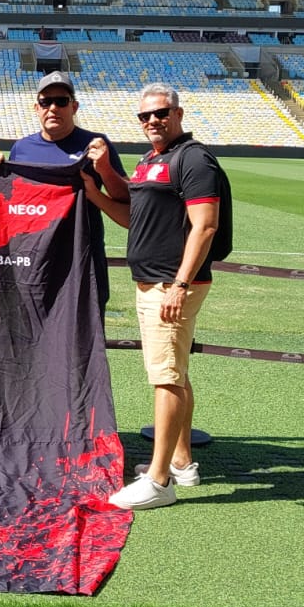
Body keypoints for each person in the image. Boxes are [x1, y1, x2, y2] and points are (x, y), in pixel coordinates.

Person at [95, 83, 225, 511]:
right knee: (176, 371)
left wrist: (180, 283)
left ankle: (159, 479)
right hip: (153, 281)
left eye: (161, 113)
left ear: (179, 113)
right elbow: (135, 220)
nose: (153, 121)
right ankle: (182, 461)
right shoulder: (152, 159)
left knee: (165, 376)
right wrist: (93, 191)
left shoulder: (193, 158)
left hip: (171, 286)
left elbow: (204, 225)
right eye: (145, 116)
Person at [7, 70, 129, 306]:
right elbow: (15, 205)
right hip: (35, 258)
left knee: (85, 333)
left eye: (61, 101)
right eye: (46, 101)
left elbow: (126, 198)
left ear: (74, 107)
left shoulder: (95, 143)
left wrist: (104, 168)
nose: (53, 108)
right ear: (37, 107)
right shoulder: (21, 148)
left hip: (82, 259)